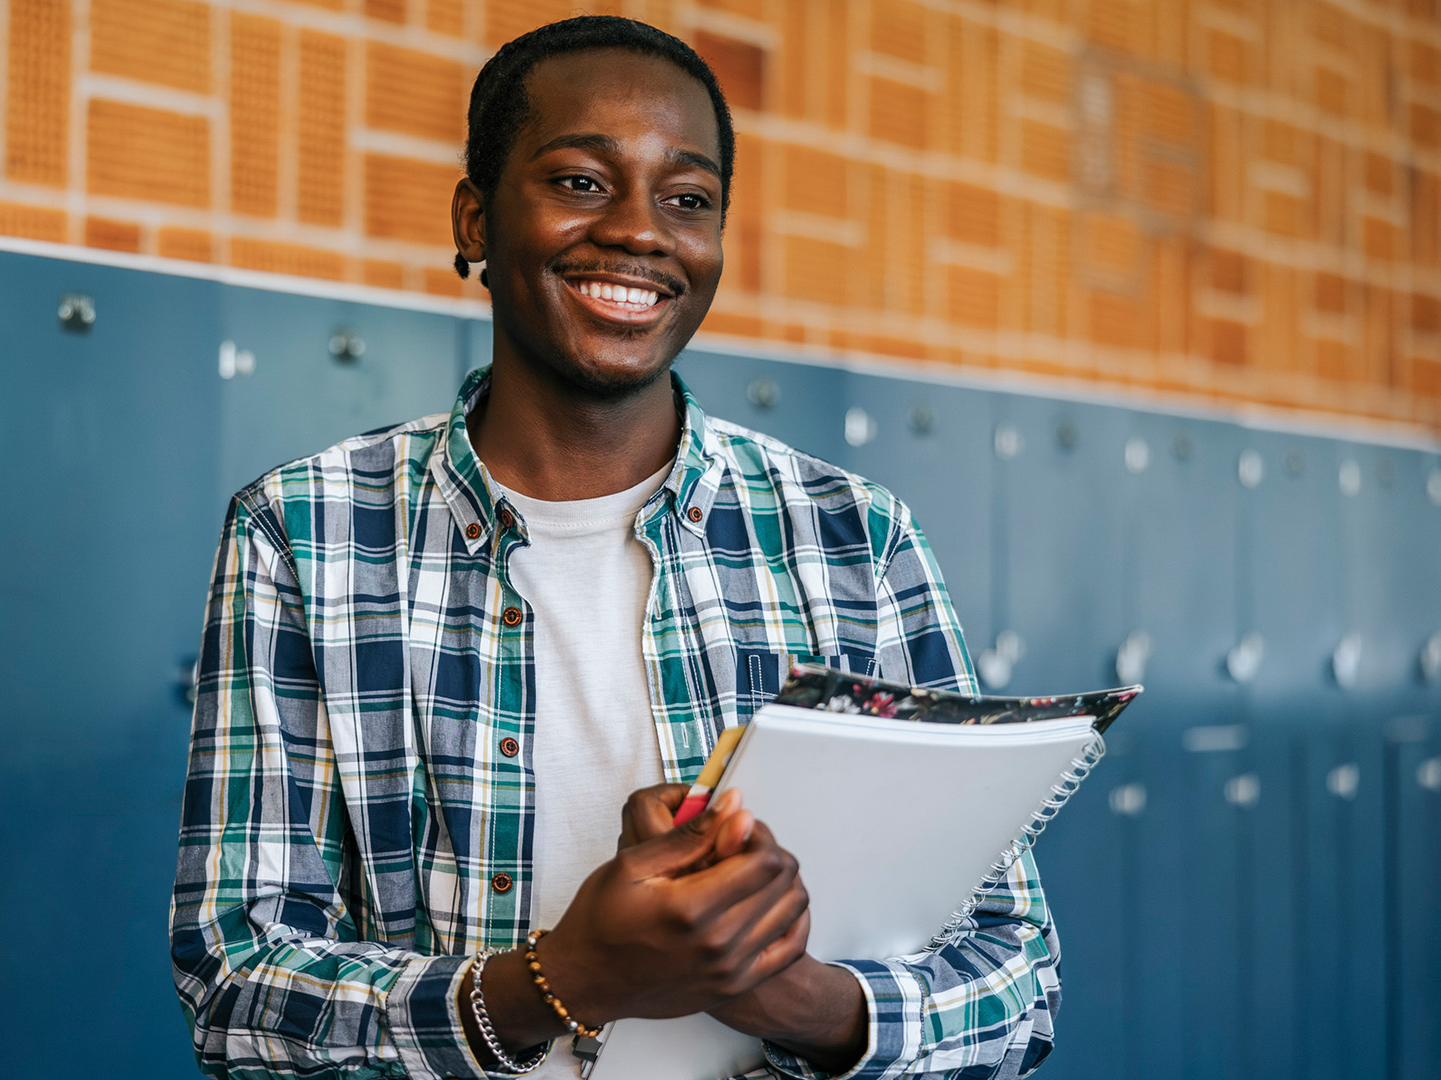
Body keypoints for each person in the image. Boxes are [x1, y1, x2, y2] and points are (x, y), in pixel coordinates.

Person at [172, 16, 1059, 1080]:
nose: (641, 232)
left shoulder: (855, 537)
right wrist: (567, 978)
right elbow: (237, 990)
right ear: (475, 219)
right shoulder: (305, 530)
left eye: (687, 199)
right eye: (582, 182)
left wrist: (800, 995)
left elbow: (1016, 981)